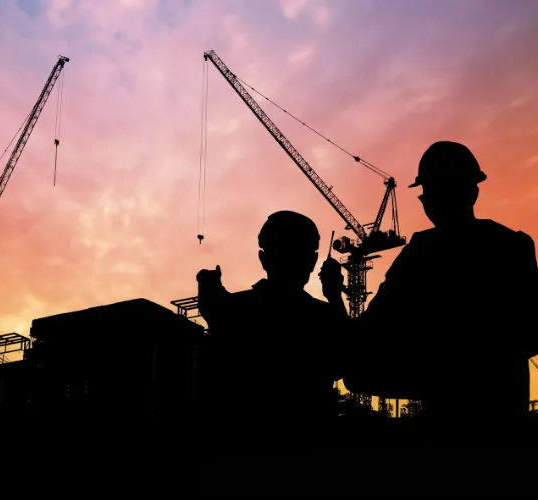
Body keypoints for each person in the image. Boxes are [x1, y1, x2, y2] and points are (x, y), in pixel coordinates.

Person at [320, 141, 538, 445]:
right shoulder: (515, 246)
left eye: (426, 194)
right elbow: (530, 334)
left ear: (428, 198)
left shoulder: (421, 255)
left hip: (446, 427)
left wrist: (333, 295)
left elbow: (362, 341)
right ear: (474, 190)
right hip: (507, 427)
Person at [196, 210, 349, 452]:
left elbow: (217, 318)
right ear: (312, 262)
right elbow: (346, 362)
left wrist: (211, 293)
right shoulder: (322, 317)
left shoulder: (237, 309)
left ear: (264, 259)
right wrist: (334, 297)